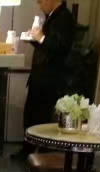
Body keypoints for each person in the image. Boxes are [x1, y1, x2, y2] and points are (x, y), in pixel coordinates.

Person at [13, 0, 74, 159]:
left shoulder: (64, 17)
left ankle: (37, 156)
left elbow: (61, 48)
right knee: (31, 116)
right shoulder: (52, 16)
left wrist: (40, 38)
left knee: (41, 120)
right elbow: (48, 46)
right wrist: (34, 39)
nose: (39, 5)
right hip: (40, 77)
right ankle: (28, 151)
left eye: (41, 1)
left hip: (49, 79)